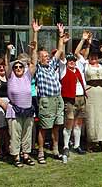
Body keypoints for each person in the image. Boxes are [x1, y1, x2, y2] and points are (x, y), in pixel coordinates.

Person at [34, 22, 66, 164]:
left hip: (57, 99)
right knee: (43, 127)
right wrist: (35, 32)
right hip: (46, 100)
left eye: (48, 55)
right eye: (45, 56)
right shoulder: (38, 68)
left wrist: (60, 35)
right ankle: (41, 152)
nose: (47, 57)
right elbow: (34, 52)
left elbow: (59, 51)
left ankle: (55, 150)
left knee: (57, 126)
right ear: (39, 58)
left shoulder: (51, 65)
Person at [4, 35, 37, 167]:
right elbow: (7, 63)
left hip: (28, 110)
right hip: (14, 111)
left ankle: (26, 155)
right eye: (16, 67)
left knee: (27, 134)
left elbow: (33, 63)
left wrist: (34, 49)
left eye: (20, 67)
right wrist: (7, 52)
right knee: (15, 135)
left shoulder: (28, 76)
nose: (18, 68)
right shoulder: (11, 76)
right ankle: (16, 157)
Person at [75, 32, 102, 153]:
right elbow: (76, 53)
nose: (93, 58)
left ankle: (101, 141)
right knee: (92, 117)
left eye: (95, 56)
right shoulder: (85, 65)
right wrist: (84, 41)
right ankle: (91, 142)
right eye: (91, 56)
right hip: (92, 94)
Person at [59, 51, 87, 162]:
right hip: (70, 99)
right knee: (69, 122)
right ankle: (66, 146)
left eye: (73, 60)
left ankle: (76, 145)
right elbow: (62, 60)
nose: (72, 62)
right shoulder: (64, 70)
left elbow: (82, 59)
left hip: (81, 98)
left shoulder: (78, 70)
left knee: (78, 123)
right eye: (70, 60)